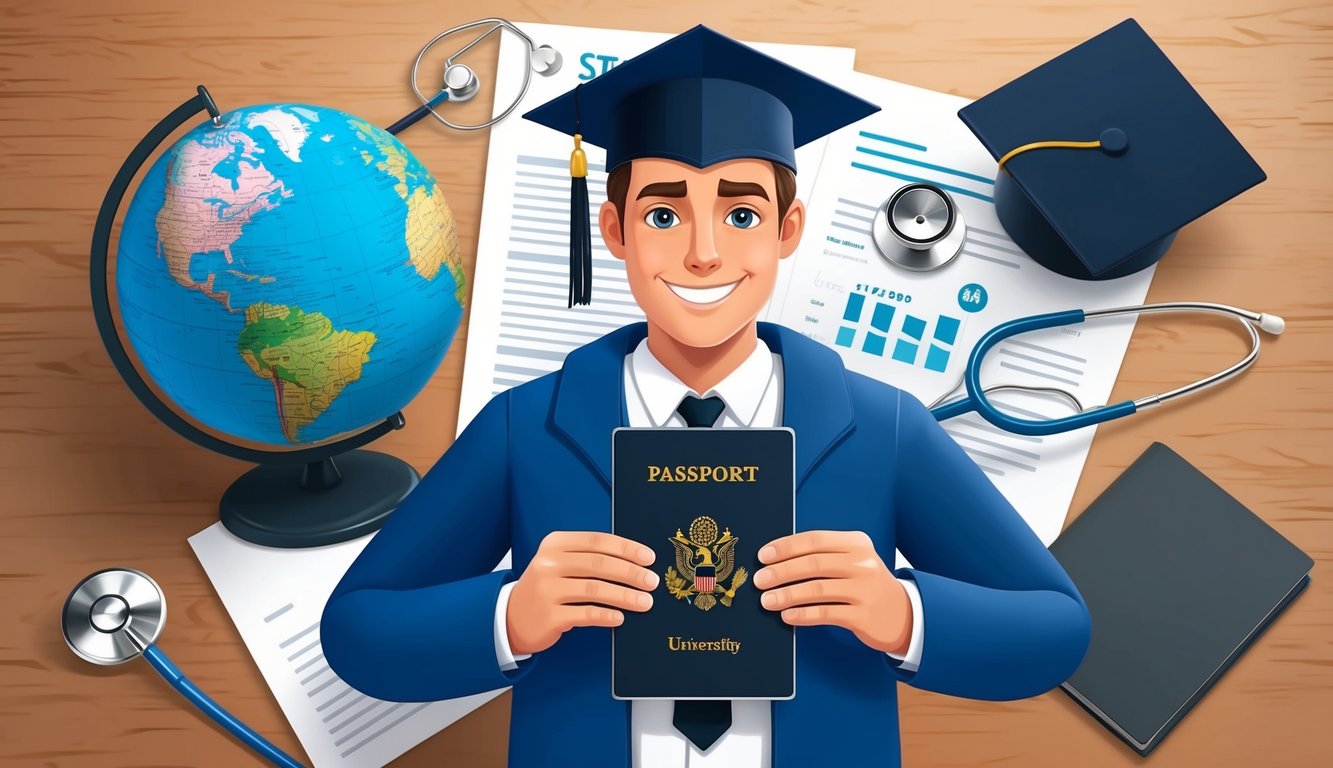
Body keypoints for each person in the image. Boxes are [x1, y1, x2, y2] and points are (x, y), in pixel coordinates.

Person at [322, 25, 1091, 768]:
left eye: (742, 213)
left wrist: (903, 615)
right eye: (662, 214)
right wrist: (508, 615)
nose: (702, 252)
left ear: (787, 229)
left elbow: (1054, 629)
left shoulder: (881, 427)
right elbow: (358, 632)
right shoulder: (527, 428)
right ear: (614, 229)